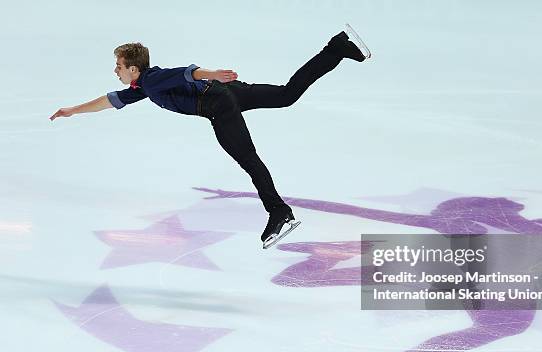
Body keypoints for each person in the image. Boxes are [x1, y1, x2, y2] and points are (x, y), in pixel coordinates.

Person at [49, 24, 371, 248]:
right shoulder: (142, 87)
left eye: (119, 66)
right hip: (226, 93)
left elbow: (186, 72)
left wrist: (211, 72)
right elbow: (109, 101)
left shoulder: (152, 80)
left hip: (218, 103)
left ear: (133, 68)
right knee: (287, 94)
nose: (116, 71)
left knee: (248, 159)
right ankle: (335, 49)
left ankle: (278, 212)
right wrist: (72, 110)